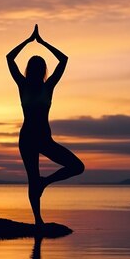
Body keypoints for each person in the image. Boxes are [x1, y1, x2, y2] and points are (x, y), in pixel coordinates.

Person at [6, 25, 85, 225]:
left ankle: (45, 182)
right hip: (29, 139)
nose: (37, 70)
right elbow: (9, 58)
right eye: (36, 67)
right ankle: (38, 221)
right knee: (33, 178)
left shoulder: (47, 86)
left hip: (43, 139)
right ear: (34, 70)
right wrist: (33, 41)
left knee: (77, 166)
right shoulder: (23, 85)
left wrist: (38, 42)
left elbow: (64, 60)